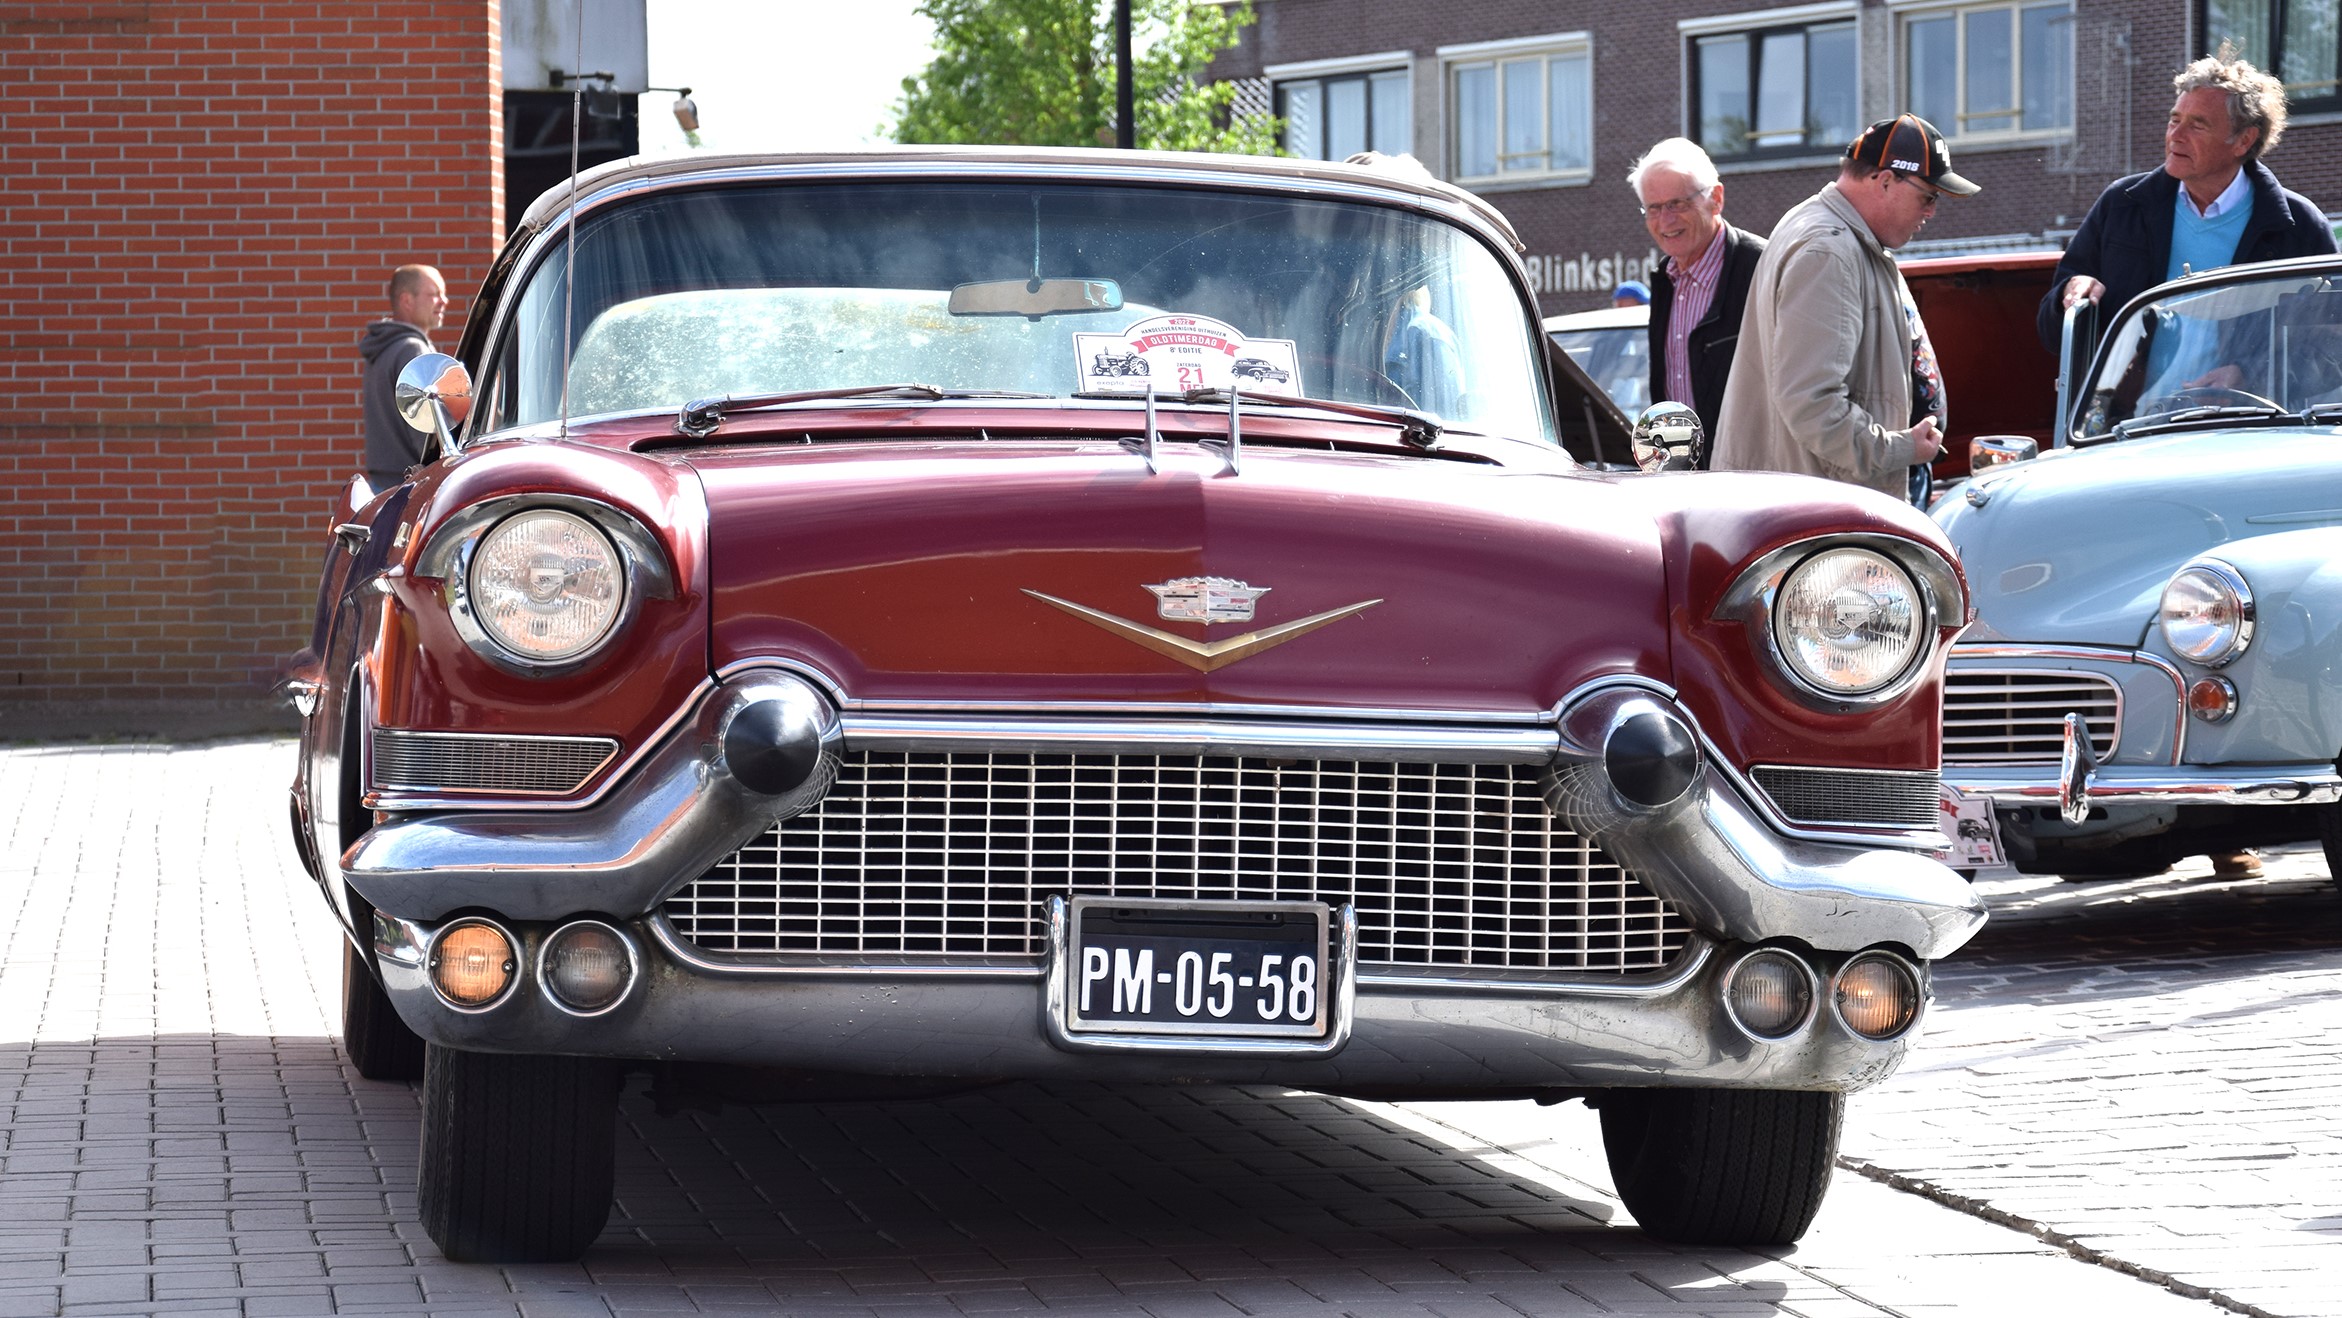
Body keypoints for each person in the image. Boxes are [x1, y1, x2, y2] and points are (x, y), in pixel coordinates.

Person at [1711, 115, 1974, 496]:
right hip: (1824, 514)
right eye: (1928, 196)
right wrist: (1901, 449)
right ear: (1885, 181)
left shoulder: (1839, 235)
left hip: (1827, 502)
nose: (1931, 211)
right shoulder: (1829, 250)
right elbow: (1811, 405)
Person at [2036, 45, 2335, 356]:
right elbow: (2052, 334)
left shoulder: (2301, 228)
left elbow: (2329, 349)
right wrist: (2069, 300)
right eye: (2174, 120)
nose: (2175, 135)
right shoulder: (2120, 205)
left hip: (2249, 406)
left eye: (2197, 125)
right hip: (2127, 405)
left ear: (2244, 140)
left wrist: (2245, 377)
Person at [1630, 137, 1766, 464]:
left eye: (1677, 204)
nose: (1665, 221)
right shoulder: (1666, 280)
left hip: (1752, 478)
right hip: (1683, 478)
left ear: (1716, 199)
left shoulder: (1762, 269)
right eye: (1654, 208)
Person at [359, 264, 448, 489]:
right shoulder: (412, 350)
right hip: (411, 487)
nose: (444, 301)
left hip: (384, 485)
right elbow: (425, 428)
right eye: (434, 294)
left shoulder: (384, 346)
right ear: (407, 300)